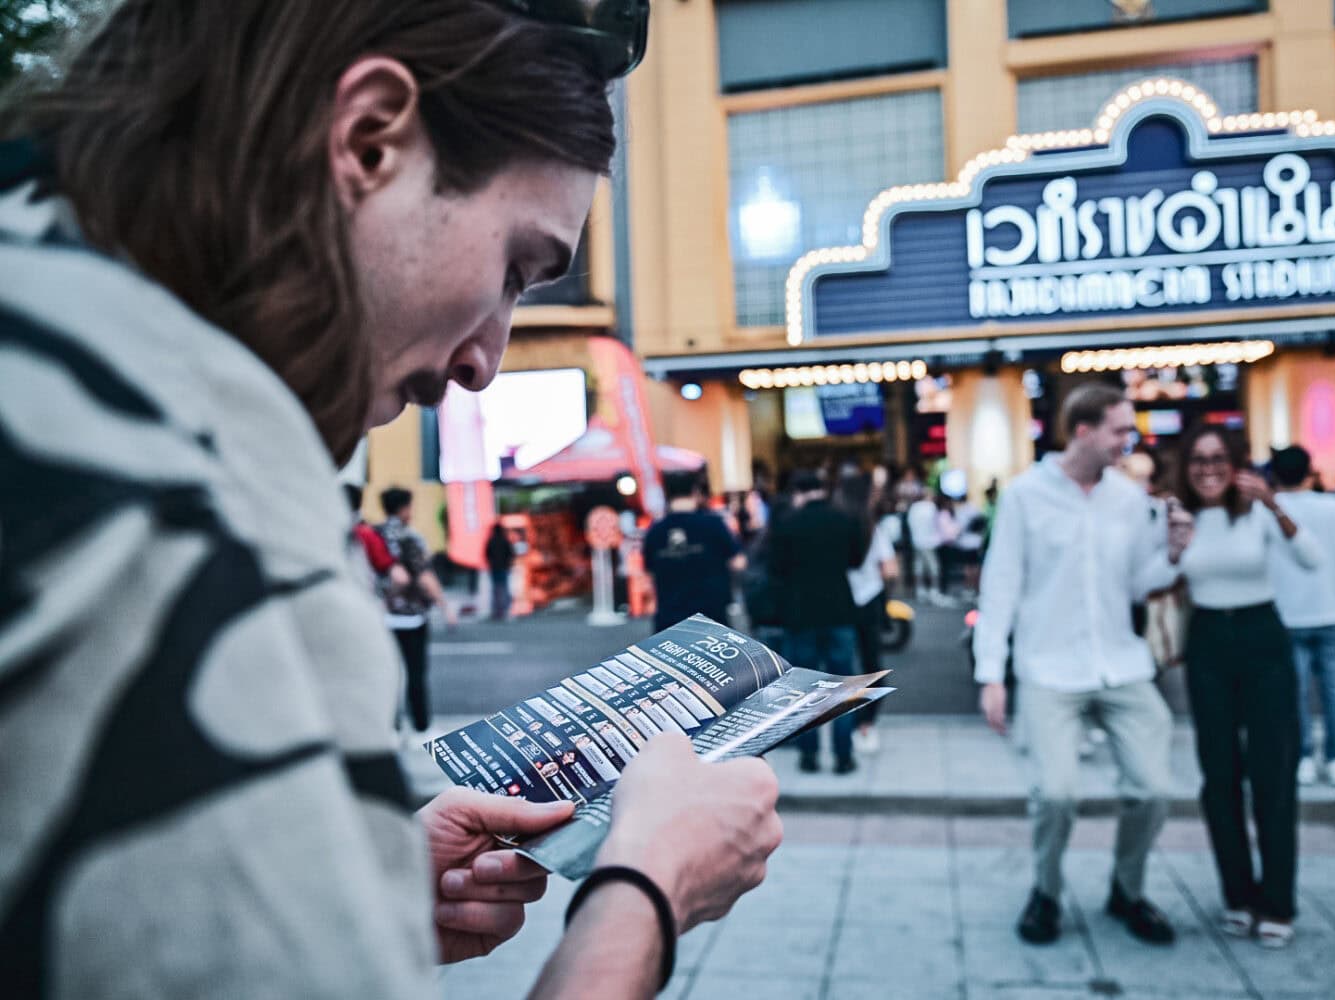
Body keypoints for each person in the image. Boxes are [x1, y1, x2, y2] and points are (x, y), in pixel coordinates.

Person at [0, 3, 785, 997]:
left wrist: (342, 878)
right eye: (512, 269)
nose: (484, 361)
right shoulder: (180, 506)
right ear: (369, 139)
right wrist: (645, 889)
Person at [975, 384, 1189, 948]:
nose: (1130, 440)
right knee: (1057, 794)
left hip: (1122, 663)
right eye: (1120, 430)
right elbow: (1000, 588)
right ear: (1083, 431)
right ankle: (1045, 893)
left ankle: (1127, 889)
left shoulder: (1128, 497)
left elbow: (1142, 585)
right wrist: (991, 674)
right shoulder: (1025, 495)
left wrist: (1172, 552)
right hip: (1048, 667)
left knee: (1152, 789)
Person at [1175, 426, 1318, 948]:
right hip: (1208, 640)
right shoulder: (1179, 516)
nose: (1207, 469)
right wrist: (1172, 547)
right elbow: (1150, 581)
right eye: (1197, 459)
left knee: (1273, 775)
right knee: (1219, 776)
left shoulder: (1258, 510)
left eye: (1217, 458)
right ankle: (1237, 894)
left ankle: (1276, 901)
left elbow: (1313, 560)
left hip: (1262, 637)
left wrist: (1276, 505)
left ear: (1236, 463)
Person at [1267, 446, 1335, 787]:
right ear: (1310, 472)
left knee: (1293, 691)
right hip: (1331, 610)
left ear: (1275, 474)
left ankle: (1303, 756)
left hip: (1286, 614)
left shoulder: (1269, 511)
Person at [771, 469, 866, 774]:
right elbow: (855, 560)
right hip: (839, 609)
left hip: (800, 615)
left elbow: (777, 568)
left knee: (805, 689)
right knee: (842, 686)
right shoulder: (843, 520)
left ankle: (809, 754)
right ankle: (843, 755)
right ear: (823, 490)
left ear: (798, 493)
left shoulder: (787, 524)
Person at [378, 486, 458, 734]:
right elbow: (424, 576)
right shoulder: (409, 537)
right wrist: (445, 606)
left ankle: (390, 724)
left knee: (388, 674)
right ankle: (421, 725)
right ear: (403, 508)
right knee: (415, 673)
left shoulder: (374, 535)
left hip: (382, 616)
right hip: (411, 617)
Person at [836, 473, 899, 755]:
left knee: (843, 668)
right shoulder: (872, 528)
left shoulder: (834, 524)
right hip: (869, 602)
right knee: (872, 665)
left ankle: (842, 727)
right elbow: (890, 569)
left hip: (839, 602)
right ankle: (865, 725)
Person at [643, 476, 745, 632]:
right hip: (711, 615)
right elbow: (739, 562)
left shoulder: (655, 531)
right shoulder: (713, 524)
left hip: (669, 619)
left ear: (666, 495)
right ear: (695, 492)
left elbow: (649, 572)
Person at [907, 486, 944, 603]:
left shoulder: (914, 507)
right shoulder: (931, 507)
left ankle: (920, 590)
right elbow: (935, 525)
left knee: (919, 566)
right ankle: (934, 591)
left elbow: (910, 523)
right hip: (928, 542)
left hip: (917, 541)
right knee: (933, 567)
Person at [484, 517, 516, 621]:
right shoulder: (505, 540)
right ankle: (506, 610)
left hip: (494, 568)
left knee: (495, 590)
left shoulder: (491, 541)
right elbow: (511, 554)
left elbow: (486, 554)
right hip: (504, 568)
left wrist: (490, 562)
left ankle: (496, 611)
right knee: (505, 589)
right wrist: (509, 564)